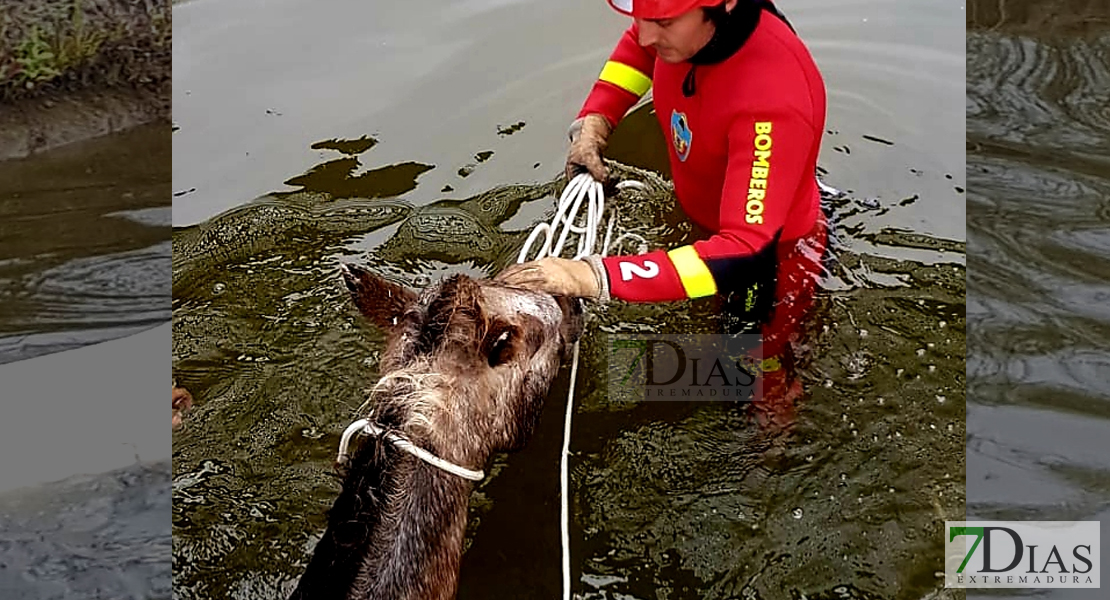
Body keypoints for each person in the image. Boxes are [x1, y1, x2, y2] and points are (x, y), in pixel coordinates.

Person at [496, 0, 830, 428]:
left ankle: (774, 439)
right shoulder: (677, 37)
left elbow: (743, 251)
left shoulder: (772, 101)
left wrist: (592, 276)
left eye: (663, 22)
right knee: (654, 366)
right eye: (640, 16)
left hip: (766, 265)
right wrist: (597, 120)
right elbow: (638, 50)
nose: (645, 33)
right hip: (710, 226)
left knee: (747, 376)